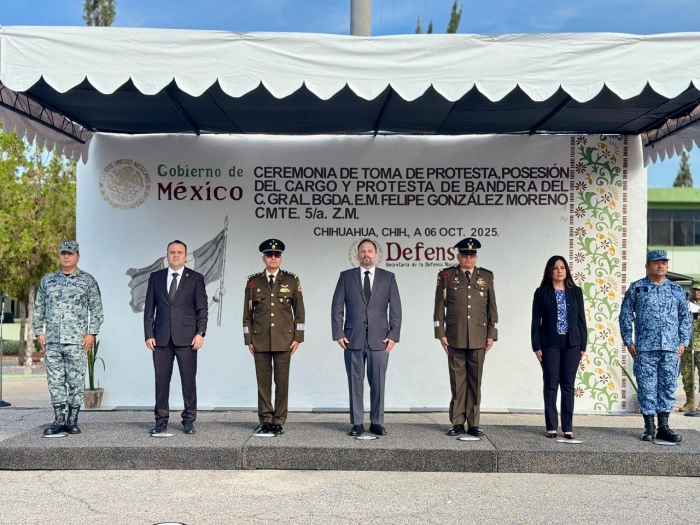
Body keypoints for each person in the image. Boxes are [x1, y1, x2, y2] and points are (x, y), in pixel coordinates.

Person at [331, 239, 402, 437]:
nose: (366, 254)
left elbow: (396, 309)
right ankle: (357, 423)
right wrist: (338, 333)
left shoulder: (388, 277)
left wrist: (393, 335)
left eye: (370, 251)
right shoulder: (346, 277)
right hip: (352, 338)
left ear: (376, 255)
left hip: (380, 339)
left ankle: (377, 422)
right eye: (363, 251)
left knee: (378, 382)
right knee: (355, 382)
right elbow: (337, 307)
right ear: (357, 255)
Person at [619, 250, 692, 442]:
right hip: (645, 349)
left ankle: (664, 427)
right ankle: (649, 428)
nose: (661, 266)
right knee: (646, 387)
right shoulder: (637, 288)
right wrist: (628, 341)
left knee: (668, 387)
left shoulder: (676, 290)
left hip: (670, 348)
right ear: (647, 266)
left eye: (664, 262)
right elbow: (625, 315)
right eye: (656, 262)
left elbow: (685, 317)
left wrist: (683, 342)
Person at [33, 240, 104, 435]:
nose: (66, 256)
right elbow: (39, 307)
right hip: (53, 341)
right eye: (63, 253)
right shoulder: (48, 280)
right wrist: (39, 331)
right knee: (55, 381)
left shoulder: (87, 281)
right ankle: (59, 420)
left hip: (77, 341)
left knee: (75, 381)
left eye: (70, 253)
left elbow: (96, 309)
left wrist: (91, 333)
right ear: (59, 255)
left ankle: (72, 420)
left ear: (77, 256)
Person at [434, 238, 498, 437]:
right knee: (457, 382)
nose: (468, 258)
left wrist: (492, 334)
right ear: (458, 256)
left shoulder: (486, 276)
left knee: (475, 382)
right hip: (454, 336)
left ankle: (474, 424)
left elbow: (492, 308)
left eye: (471, 255)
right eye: (464, 254)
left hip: (479, 336)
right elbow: (438, 307)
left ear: (476, 257)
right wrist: (440, 333)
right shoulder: (446, 276)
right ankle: (457, 422)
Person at [144, 240, 208, 435]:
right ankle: (161, 420)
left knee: (188, 381)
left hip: (188, 339)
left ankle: (188, 420)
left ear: (186, 256)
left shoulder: (195, 278)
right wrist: (148, 334)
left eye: (180, 252)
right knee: (161, 381)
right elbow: (149, 309)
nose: (176, 255)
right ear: (167, 255)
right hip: (161, 339)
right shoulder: (156, 277)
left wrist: (200, 333)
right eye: (172, 252)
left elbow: (202, 309)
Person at [243, 239, 305, 436]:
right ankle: (266, 420)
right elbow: (247, 314)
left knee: (281, 382)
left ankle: (279, 420)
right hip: (260, 339)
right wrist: (248, 339)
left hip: (284, 339)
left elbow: (299, 312)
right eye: (269, 255)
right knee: (263, 383)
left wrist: (298, 337)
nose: (273, 258)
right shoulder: (253, 282)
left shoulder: (292, 280)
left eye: (276, 255)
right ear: (264, 258)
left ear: (281, 258)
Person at [531, 256, 587, 439]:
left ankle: (568, 427)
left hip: (572, 343)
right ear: (550, 271)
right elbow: (535, 321)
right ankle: (552, 426)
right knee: (551, 383)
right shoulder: (541, 292)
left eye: (562, 267)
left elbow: (581, 320)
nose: (559, 271)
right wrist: (536, 345)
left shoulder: (576, 292)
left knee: (568, 384)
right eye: (555, 268)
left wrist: (583, 345)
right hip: (549, 344)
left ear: (567, 270)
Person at [680, 279, 700, 412]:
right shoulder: (685, 304)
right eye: (694, 289)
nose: (696, 292)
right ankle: (689, 402)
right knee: (687, 375)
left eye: (698, 290)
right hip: (687, 346)